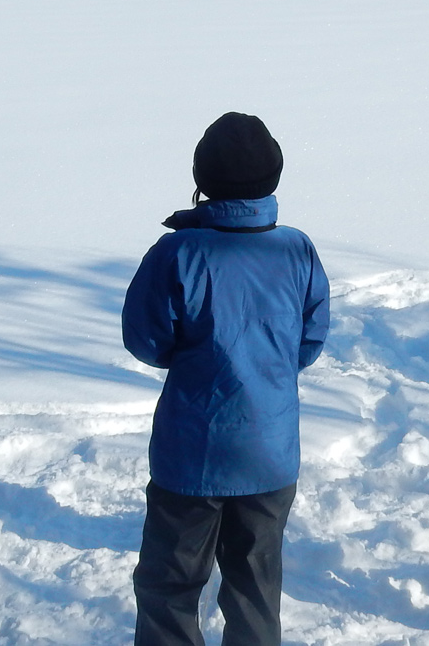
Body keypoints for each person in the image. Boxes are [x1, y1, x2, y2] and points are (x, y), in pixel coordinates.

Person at [122, 112, 331, 646]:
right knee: (255, 585)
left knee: (169, 584)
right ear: (273, 178)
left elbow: (146, 340)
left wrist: (197, 361)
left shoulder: (177, 253)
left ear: (202, 181)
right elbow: (308, 339)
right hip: (270, 451)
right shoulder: (297, 249)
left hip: (192, 455)